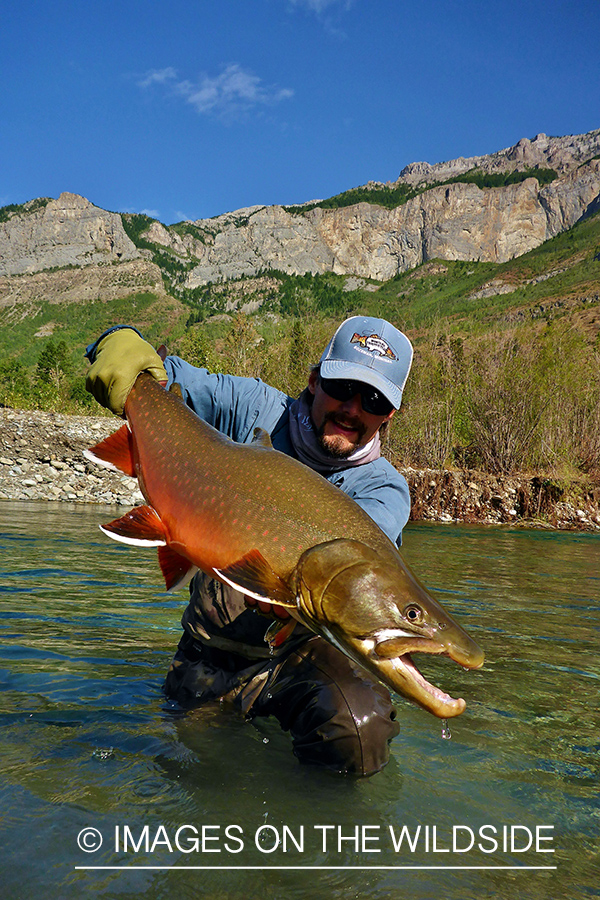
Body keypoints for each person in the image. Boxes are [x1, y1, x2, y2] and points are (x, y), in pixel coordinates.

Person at [85, 316, 413, 776]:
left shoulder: (384, 490)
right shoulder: (253, 407)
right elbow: (162, 377)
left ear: (389, 414)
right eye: (342, 386)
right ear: (316, 379)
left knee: (360, 731)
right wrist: (117, 341)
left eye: (373, 399)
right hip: (208, 651)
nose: (352, 409)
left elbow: (349, 571)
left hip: (302, 660)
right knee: (191, 773)